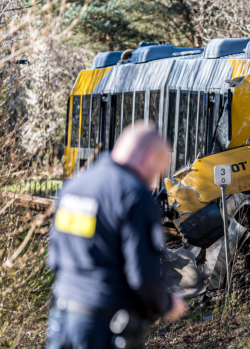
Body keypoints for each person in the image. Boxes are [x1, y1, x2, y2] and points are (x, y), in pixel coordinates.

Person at [47, 122, 186, 349]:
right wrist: (168, 304)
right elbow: (143, 276)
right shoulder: (134, 195)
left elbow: (54, 258)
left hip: (62, 321)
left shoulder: (75, 186)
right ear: (149, 157)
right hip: (105, 328)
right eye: (158, 170)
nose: (154, 179)